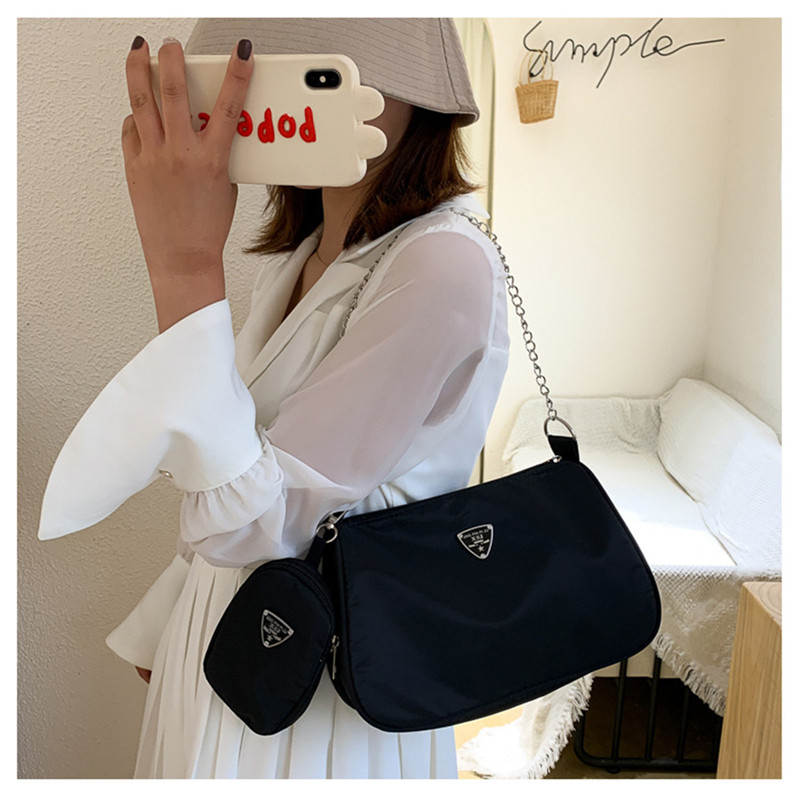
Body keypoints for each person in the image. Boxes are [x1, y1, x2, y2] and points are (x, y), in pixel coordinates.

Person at [38, 18, 510, 779]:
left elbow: (263, 521)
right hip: (235, 639)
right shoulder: (303, 256)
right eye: (266, 73)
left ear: (418, 93)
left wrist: (185, 265)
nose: (279, 101)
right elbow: (248, 470)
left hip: (322, 675)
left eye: (323, 76)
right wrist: (171, 614)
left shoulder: (442, 265)